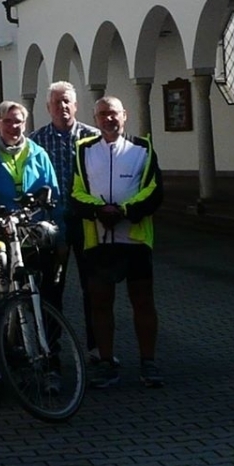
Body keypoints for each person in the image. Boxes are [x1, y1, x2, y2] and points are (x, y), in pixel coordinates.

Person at [70, 96, 164, 389]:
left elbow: (154, 191)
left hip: (134, 239)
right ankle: (107, 363)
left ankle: (148, 363)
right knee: (100, 304)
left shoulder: (143, 149)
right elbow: (76, 192)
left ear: (125, 116)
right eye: (102, 115)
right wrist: (98, 210)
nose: (108, 119)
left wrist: (124, 211)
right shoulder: (83, 150)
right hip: (98, 239)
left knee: (143, 303)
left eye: (113, 114)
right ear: (95, 119)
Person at [0, 100, 65, 317]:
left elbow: (54, 195)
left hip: (36, 233)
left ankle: (50, 345)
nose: (13, 127)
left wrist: (60, 237)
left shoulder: (38, 154)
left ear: (25, 124)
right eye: (7, 121)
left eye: (17, 121)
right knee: (6, 293)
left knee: (46, 294)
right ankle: (8, 341)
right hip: (3, 234)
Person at [32, 80, 97, 326]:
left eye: (66, 101)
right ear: (48, 107)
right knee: (51, 286)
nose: (62, 107)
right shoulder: (36, 141)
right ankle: (52, 348)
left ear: (76, 105)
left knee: (91, 285)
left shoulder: (93, 138)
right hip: (52, 223)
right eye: (56, 103)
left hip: (85, 222)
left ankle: (96, 348)